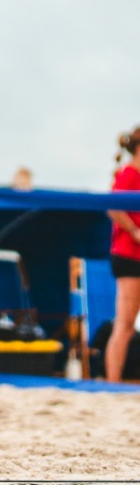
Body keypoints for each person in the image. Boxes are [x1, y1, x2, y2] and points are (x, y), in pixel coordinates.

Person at [106, 127, 140, 382]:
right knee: (125, 323)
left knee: (127, 324)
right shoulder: (129, 173)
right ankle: (113, 381)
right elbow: (113, 206)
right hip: (129, 255)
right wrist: (135, 230)